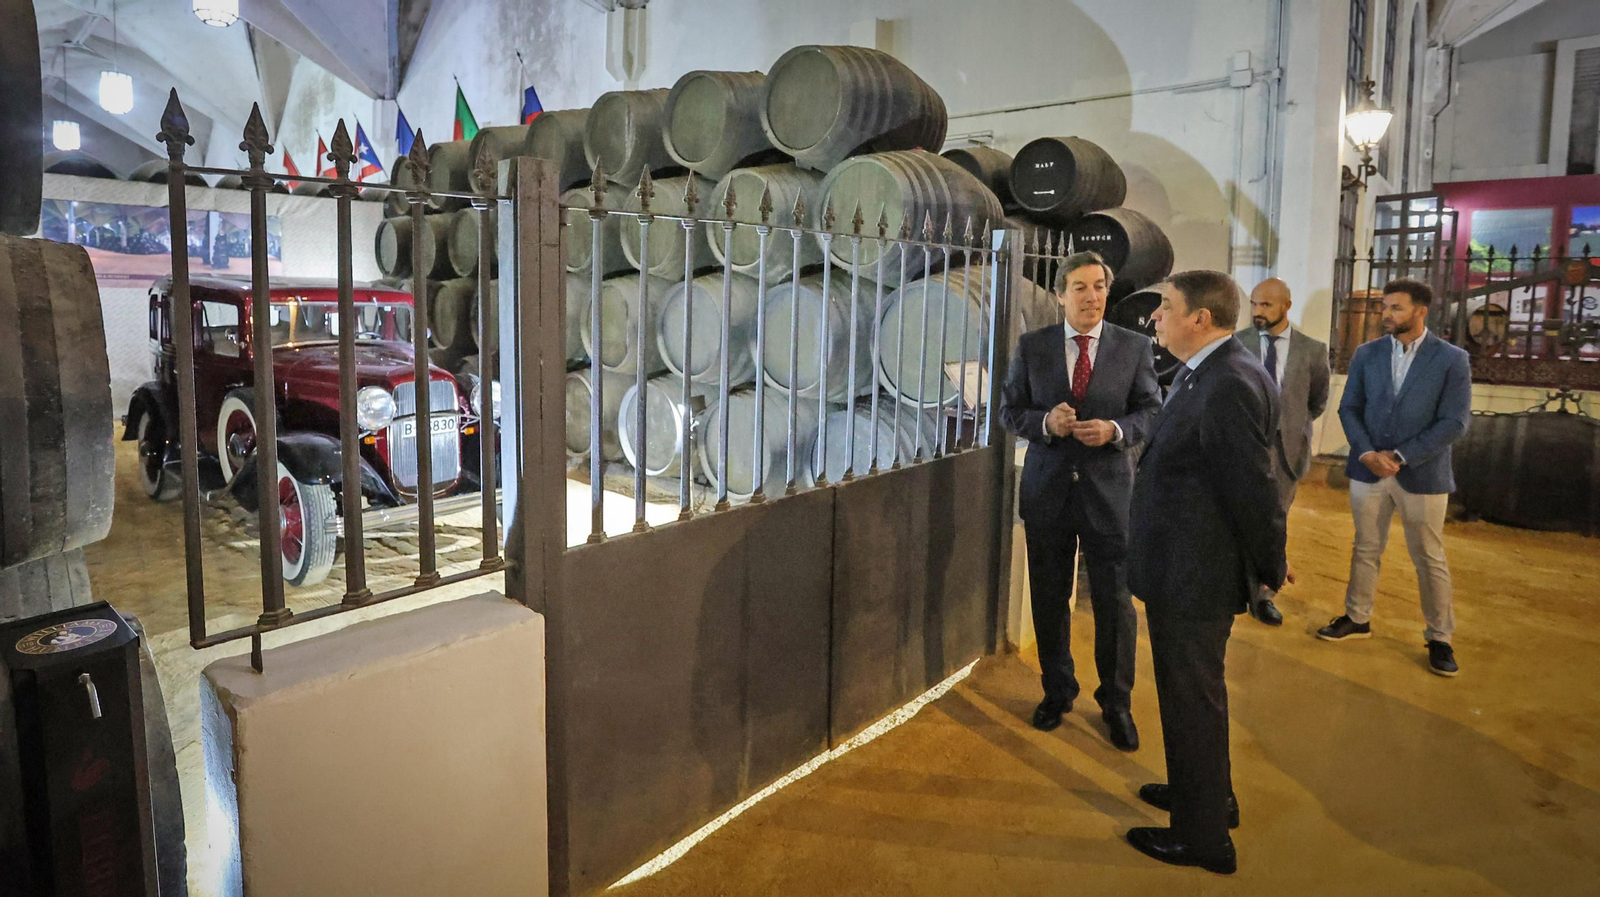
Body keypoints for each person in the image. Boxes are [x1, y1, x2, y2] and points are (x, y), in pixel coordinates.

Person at [1125, 270, 1288, 875]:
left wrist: (1271, 564)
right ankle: (1208, 796)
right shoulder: (1221, 370)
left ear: (1200, 319)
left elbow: (1252, 488)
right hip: (1187, 566)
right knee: (1194, 696)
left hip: (1194, 573)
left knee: (1192, 698)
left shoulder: (1227, 384)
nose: (1155, 318)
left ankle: (1203, 839)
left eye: (1166, 307)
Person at [1000, 251, 1161, 751]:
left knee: (1116, 602)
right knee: (1049, 597)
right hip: (1048, 491)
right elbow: (1009, 410)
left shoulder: (1133, 347)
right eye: (1080, 287)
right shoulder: (1033, 346)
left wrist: (1115, 430)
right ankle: (1057, 690)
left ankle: (1116, 703)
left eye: (1099, 286)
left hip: (1110, 493)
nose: (1091, 297)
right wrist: (1044, 424)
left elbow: (1151, 411)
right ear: (1060, 294)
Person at [1322, 278, 1472, 677]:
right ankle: (1357, 618)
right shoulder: (1367, 354)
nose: (1386, 314)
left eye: (1396, 308)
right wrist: (1367, 452)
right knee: (1365, 547)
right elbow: (1349, 408)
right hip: (1368, 469)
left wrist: (1402, 456)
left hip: (1421, 473)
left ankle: (1440, 638)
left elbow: (1455, 422)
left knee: (1429, 557)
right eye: (1385, 307)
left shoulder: (1451, 359)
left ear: (1421, 311)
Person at [1234, 278, 1330, 625]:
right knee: (1237, 514)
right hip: (1244, 445)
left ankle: (1265, 594)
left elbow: (1316, 401)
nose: (1258, 312)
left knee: (1276, 521)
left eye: (1266, 305)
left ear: (1286, 306)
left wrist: (1290, 429)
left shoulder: (1312, 350)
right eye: (1255, 305)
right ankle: (1235, 585)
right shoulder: (1236, 343)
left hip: (1286, 451)